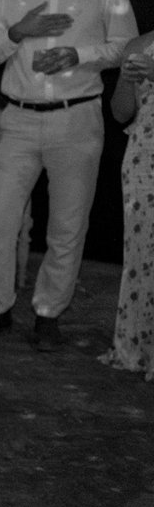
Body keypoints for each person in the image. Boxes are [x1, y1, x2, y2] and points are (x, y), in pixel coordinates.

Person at [0, 0, 137, 351]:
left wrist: (79, 56)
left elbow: (126, 48)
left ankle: (48, 313)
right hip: (17, 119)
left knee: (67, 224)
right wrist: (20, 30)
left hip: (76, 118)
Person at [101, 33, 154, 379]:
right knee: (141, 256)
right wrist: (125, 76)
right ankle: (137, 345)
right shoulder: (140, 45)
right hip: (143, 158)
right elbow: (121, 112)